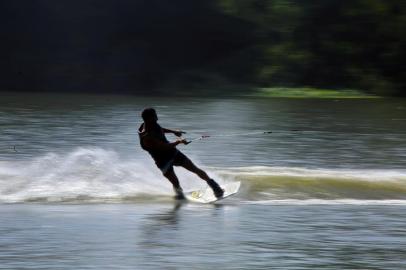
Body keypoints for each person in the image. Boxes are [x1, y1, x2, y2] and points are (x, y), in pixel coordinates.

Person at [138, 107, 224, 200]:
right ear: (150, 118)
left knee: (195, 169)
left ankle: (216, 188)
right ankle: (180, 197)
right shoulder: (147, 137)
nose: (157, 118)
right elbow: (164, 147)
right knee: (175, 183)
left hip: (173, 153)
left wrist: (173, 131)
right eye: (155, 116)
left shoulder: (150, 124)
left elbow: (160, 129)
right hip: (162, 161)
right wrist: (179, 141)